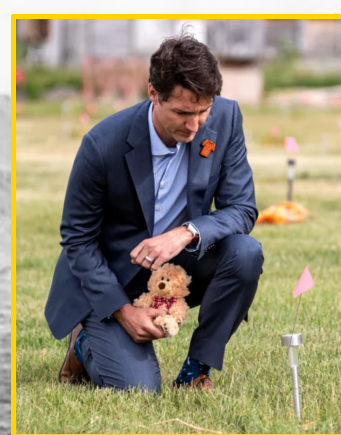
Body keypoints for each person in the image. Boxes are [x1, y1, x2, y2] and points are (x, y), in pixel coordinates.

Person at [48, 32, 263, 392]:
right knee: (139, 389)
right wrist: (123, 311)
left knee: (246, 253)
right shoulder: (101, 144)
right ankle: (83, 343)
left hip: (180, 267)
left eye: (203, 111)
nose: (194, 126)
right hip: (113, 278)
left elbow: (241, 208)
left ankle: (195, 370)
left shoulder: (227, 119)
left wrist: (185, 233)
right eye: (182, 113)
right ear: (153, 93)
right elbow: (77, 239)